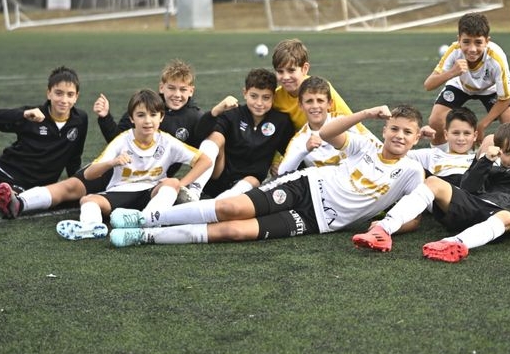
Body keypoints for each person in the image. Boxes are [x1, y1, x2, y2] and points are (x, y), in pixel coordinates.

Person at [106, 104, 425, 248]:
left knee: (234, 232)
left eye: (406, 132)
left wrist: (386, 227)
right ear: (385, 129)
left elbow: (415, 214)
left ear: (416, 138)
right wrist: (367, 113)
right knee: (230, 207)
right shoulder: (365, 145)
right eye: (394, 128)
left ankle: (145, 236)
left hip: (319, 222)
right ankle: (146, 219)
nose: (398, 136)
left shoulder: (411, 171)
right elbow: (327, 132)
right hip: (306, 186)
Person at [0, 59, 211, 217]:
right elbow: (119, 139)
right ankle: (19, 203)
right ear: (161, 87)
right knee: (69, 188)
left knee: (82, 200)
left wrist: (184, 185)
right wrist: (105, 117)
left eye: (182, 90)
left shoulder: (196, 118)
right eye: (171, 88)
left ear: (190, 91)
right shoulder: (144, 106)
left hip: (147, 181)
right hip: (114, 170)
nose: (176, 94)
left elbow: (207, 153)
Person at [352, 122, 510, 261]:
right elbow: (468, 188)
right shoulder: (489, 168)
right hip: (473, 208)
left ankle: (454, 244)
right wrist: (485, 160)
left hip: (500, 217)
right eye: (507, 152)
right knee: (433, 182)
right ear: (499, 150)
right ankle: (383, 230)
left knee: (508, 216)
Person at [55, 89, 212, 240]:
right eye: (141, 115)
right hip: (121, 192)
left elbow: (205, 160)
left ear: (161, 117)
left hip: (151, 193)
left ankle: (148, 221)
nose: (148, 121)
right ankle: (92, 227)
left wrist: (181, 184)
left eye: (153, 115)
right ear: (131, 118)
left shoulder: (167, 141)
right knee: (88, 200)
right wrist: (112, 163)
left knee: (172, 182)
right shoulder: (122, 140)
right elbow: (89, 174)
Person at [0, 66, 88, 217]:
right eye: (58, 93)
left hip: (30, 186)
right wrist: (23, 114)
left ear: (76, 97)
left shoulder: (80, 120)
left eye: (70, 94)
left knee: (0, 203)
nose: (64, 100)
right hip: (3, 168)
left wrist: (76, 187)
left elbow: (74, 158)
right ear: (49, 93)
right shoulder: (33, 114)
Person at [197, 68, 294, 199]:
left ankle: (219, 203)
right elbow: (199, 135)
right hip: (218, 177)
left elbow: (291, 151)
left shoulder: (281, 122)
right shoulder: (233, 114)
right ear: (245, 93)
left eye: (266, 98)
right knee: (216, 136)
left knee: (252, 180)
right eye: (254, 96)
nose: (259, 103)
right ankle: (195, 188)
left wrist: (281, 164)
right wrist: (215, 111)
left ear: (273, 97)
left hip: (248, 185)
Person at [424, 12, 510, 146]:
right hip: (460, 85)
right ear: (459, 40)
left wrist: (482, 125)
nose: (472, 49)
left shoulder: (497, 58)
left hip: (489, 89)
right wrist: (451, 73)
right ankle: (440, 159)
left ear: (487, 41)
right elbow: (428, 85)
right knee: (436, 121)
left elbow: (505, 98)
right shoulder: (454, 51)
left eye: (478, 42)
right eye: (466, 42)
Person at [277, 76, 381, 175]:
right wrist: (305, 149)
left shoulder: (344, 121)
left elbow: (376, 145)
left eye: (320, 100)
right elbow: (282, 172)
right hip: (328, 190)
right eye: (309, 101)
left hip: (360, 181)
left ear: (330, 103)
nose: (315, 106)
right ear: (301, 105)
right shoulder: (300, 139)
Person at [270, 38, 352, 130]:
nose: (285, 77)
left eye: (291, 70)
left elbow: (350, 122)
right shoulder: (276, 97)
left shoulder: (321, 90)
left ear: (304, 69)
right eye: (280, 71)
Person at [406, 106, 477, 187]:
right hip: (435, 194)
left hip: (467, 195)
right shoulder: (431, 155)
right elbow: (395, 156)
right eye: (456, 133)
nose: (461, 138)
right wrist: (416, 137)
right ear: (446, 134)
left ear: (475, 136)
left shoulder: (480, 160)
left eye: (467, 133)